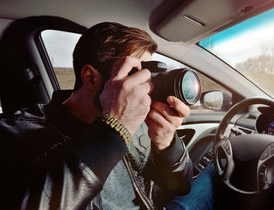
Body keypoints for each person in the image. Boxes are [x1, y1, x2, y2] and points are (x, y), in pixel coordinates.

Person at [0, 22, 193, 210]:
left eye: (149, 76)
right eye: (135, 76)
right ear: (91, 78)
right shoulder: (15, 134)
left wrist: (167, 144)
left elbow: (181, 186)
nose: (145, 88)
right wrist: (113, 129)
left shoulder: (142, 123)